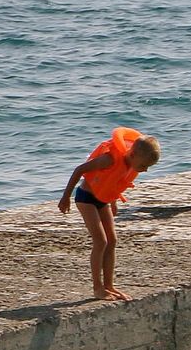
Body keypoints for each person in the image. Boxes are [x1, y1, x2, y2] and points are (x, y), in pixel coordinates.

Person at [58, 127, 161, 301]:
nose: (145, 170)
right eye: (144, 166)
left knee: (112, 240)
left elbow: (114, 182)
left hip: (103, 200)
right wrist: (65, 197)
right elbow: (79, 170)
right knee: (101, 241)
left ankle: (109, 285)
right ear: (133, 154)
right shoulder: (109, 159)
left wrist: (113, 201)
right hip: (86, 198)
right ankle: (97, 288)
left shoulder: (131, 164)